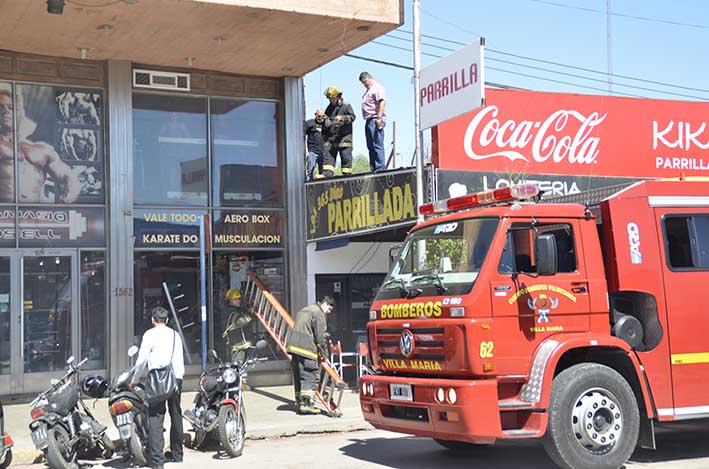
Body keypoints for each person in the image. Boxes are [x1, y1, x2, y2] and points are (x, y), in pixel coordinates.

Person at [0, 89, 80, 204]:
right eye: (0, 107)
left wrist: (66, 200)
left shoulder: (41, 149)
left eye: (11, 108)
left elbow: (69, 177)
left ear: (21, 114)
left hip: (35, 216)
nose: (6, 111)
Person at [132, 307, 185, 469]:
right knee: (176, 414)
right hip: (176, 378)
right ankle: (177, 454)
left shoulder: (149, 335)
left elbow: (141, 360)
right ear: (167, 320)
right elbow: (180, 359)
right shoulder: (175, 335)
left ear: (153, 320)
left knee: (155, 418)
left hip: (157, 380)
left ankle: (157, 460)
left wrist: (134, 380)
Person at [286, 296, 335, 415]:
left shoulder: (304, 310)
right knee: (309, 375)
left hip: (294, 348)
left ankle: (299, 402)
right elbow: (320, 338)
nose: (328, 312)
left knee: (299, 376)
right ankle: (307, 405)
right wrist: (325, 355)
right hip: (306, 349)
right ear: (326, 304)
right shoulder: (318, 314)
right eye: (329, 309)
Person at [321, 86, 356, 178]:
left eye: (332, 98)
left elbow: (353, 117)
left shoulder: (346, 105)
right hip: (332, 140)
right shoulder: (329, 108)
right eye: (329, 98)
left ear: (338, 96)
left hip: (344, 139)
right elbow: (327, 124)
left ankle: (347, 178)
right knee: (328, 161)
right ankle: (327, 177)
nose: (331, 100)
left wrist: (342, 118)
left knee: (346, 160)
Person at [359, 71, 387, 173]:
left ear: (369, 78)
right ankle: (373, 168)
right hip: (368, 120)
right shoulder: (368, 91)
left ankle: (380, 168)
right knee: (370, 146)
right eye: (363, 83)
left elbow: (382, 102)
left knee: (377, 144)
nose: (365, 84)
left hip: (375, 119)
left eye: (365, 82)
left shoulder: (377, 88)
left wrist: (379, 118)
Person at [221, 288, 255, 364]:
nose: (238, 301)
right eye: (235, 299)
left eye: (239, 299)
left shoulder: (235, 309)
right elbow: (240, 322)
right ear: (230, 300)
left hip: (239, 343)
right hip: (236, 344)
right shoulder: (231, 311)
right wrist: (250, 315)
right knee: (237, 366)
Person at [304, 110, 326, 180]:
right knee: (310, 170)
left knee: (322, 172)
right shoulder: (310, 123)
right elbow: (303, 133)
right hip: (312, 151)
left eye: (322, 116)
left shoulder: (325, 124)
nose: (320, 118)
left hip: (322, 152)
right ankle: (308, 186)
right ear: (315, 114)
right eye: (319, 116)